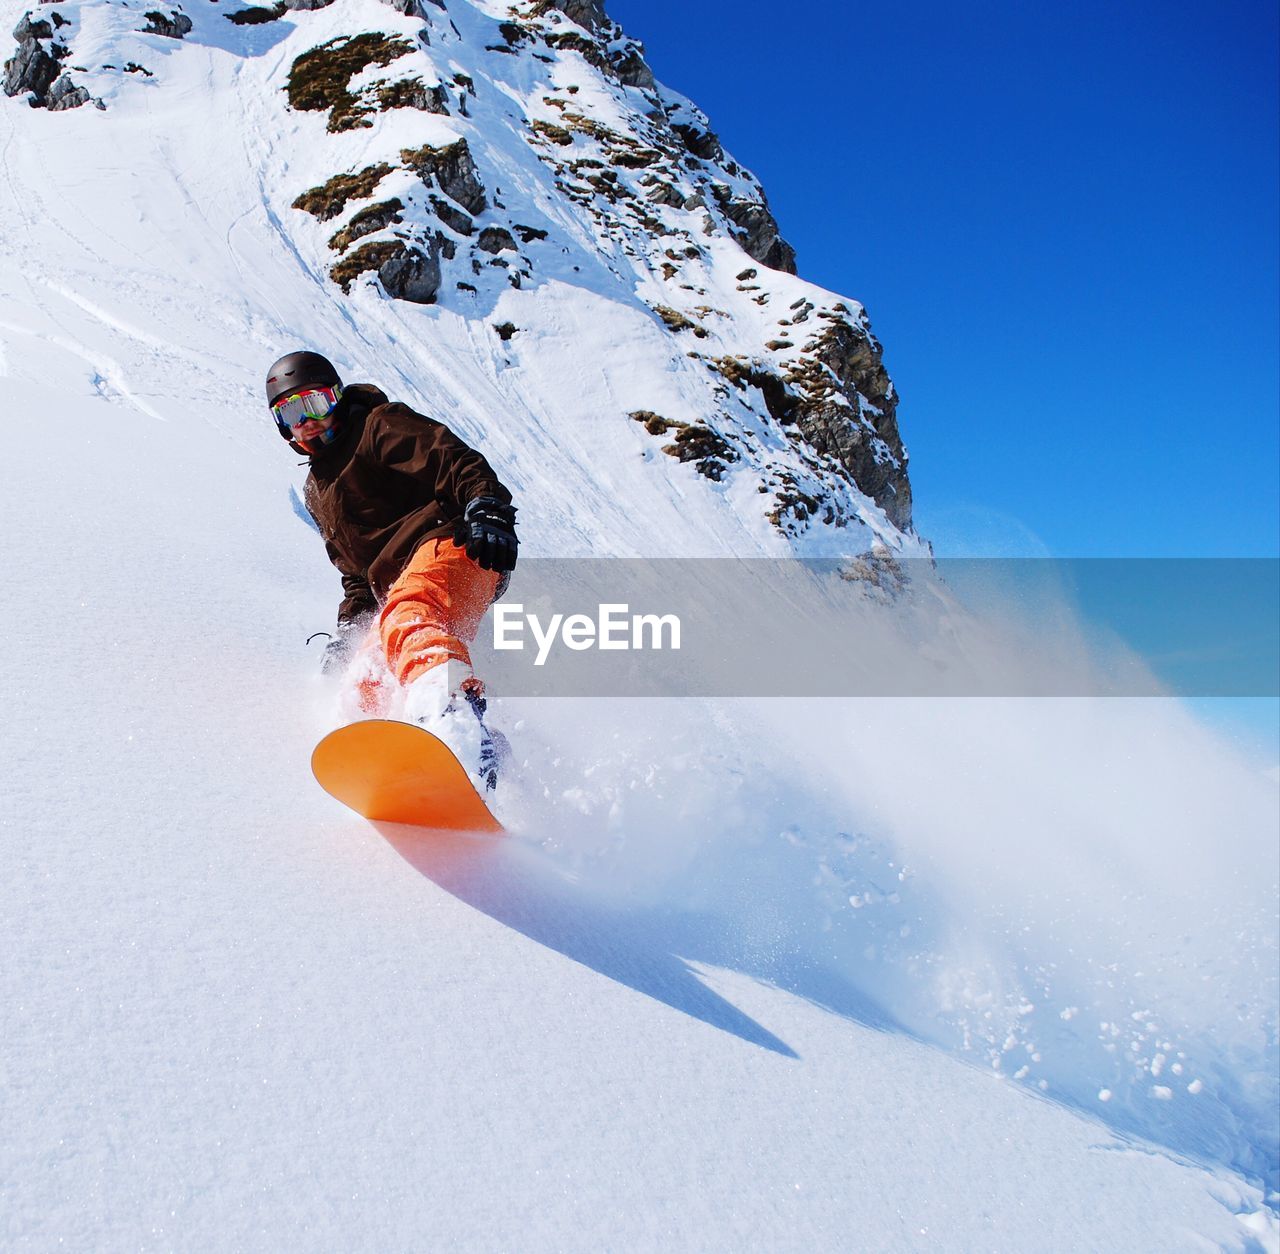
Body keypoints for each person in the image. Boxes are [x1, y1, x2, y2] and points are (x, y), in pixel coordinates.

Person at [266, 350, 518, 790]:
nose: (306, 420)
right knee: (362, 682)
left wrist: (487, 506)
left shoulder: (377, 426)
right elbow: (357, 576)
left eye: (316, 403)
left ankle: (455, 727)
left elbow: (453, 458)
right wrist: (348, 634)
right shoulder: (317, 489)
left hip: (451, 542)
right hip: (399, 584)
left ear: (337, 398)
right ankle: (425, 766)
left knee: (409, 614)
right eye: (291, 412)